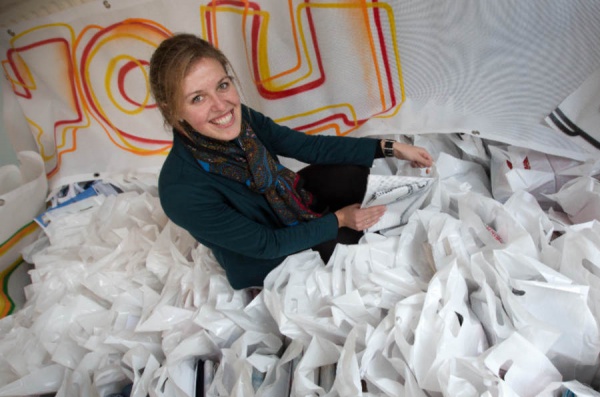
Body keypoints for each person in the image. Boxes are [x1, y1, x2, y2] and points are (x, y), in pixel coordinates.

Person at [148, 33, 433, 290]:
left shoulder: (242, 119)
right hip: (268, 258)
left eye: (222, 85)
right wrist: (340, 219)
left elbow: (309, 147)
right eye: (198, 98)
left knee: (352, 174)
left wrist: (389, 147)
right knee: (352, 251)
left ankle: (330, 221)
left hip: (291, 203)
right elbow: (266, 244)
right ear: (170, 108)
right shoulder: (180, 190)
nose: (221, 106)